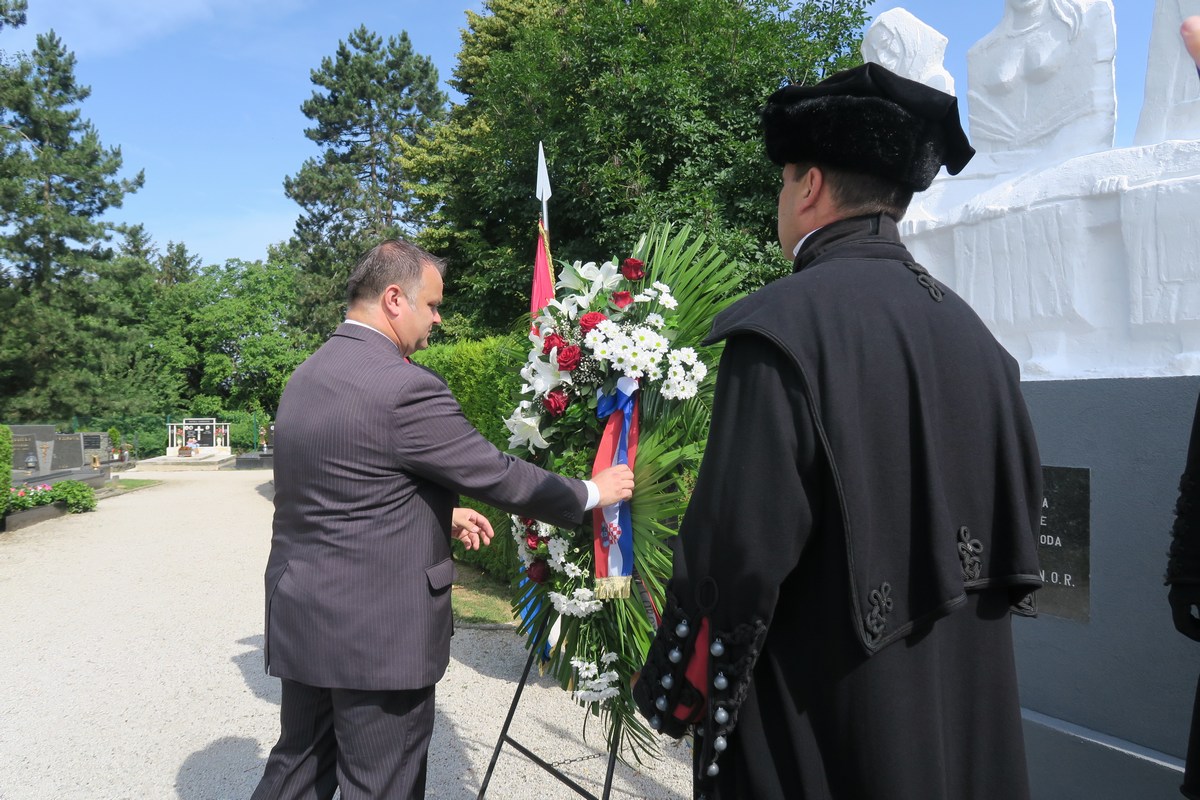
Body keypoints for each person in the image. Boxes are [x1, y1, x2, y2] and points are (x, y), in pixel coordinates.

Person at [633, 63, 1044, 799]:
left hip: (825, 719)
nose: (779, 199)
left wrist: (675, 689)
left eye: (782, 181)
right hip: (962, 712)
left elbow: (736, 553)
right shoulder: (979, 339)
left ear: (810, 185)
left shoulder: (781, 328)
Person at [252, 239, 634, 800]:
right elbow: (497, 473)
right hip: (377, 632)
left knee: (297, 771)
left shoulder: (306, 376)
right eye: (431, 305)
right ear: (393, 299)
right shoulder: (405, 386)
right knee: (382, 786)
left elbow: (340, 484)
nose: (437, 319)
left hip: (306, 614)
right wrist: (588, 492)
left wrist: (436, 510)